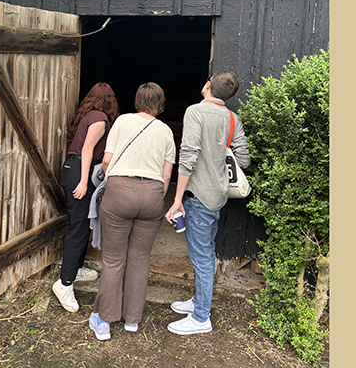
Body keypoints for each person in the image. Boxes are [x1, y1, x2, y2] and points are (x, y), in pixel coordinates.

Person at [164, 72, 250, 335]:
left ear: (208, 86)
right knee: (206, 252)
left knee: (201, 257)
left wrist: (177, 200)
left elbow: (188, 156)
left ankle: (201, 318)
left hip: (198, 196)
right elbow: (243, 161)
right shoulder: (233, 119)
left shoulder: (195, 112)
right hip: (218, 196)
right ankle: (197, 302)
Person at [88, 83, 176, 341]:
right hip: (152, 194)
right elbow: (166, 173)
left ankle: (104, 320)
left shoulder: (124, 121)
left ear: (138, 100)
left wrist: (109, 178)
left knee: (114, 260)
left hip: (121, 190)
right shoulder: (166, 131)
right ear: (160, 102)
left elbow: (106, 159)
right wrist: (155, 195)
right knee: (140, 259)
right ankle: (132, 320)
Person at [52, 83, 120, 313]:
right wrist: (83, 182)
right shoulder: (100, 118)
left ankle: (76, 268)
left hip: (73, 169)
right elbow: (88, 149)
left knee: (82, 224)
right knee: (79, 227)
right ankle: (64, 283)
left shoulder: (87, 115)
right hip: (81, 171)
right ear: (110, 101)